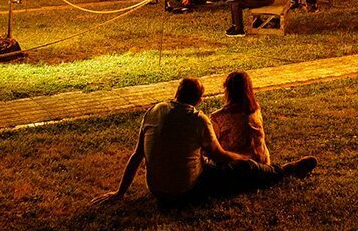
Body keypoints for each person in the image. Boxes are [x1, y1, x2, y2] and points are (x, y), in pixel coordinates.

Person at [112, 76, 313, 206]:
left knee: (209, 166)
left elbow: (137, 155)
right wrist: (243, 158)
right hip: (186, 191)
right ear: (200, 100)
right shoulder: (198, 119)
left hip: (157, 191)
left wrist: (120, 192)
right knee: (244, 170)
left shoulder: (153, 111)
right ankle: (286, 170)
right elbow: (220, 155)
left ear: (176, 93)